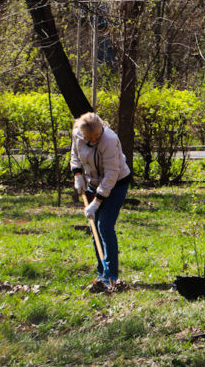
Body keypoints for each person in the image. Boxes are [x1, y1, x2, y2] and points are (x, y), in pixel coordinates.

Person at [70, 112, 132, 293]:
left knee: (104, 225)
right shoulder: (77, 135)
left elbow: (112, 174)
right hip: (93, 183)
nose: (94, 139)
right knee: (94, 227)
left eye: (97, 135)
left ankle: (112, 275)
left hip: (117, 184)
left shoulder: (110, 140)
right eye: (91, 137)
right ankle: (101, 273)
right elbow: (75, 154)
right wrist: (78, 175)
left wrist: (97, 202)